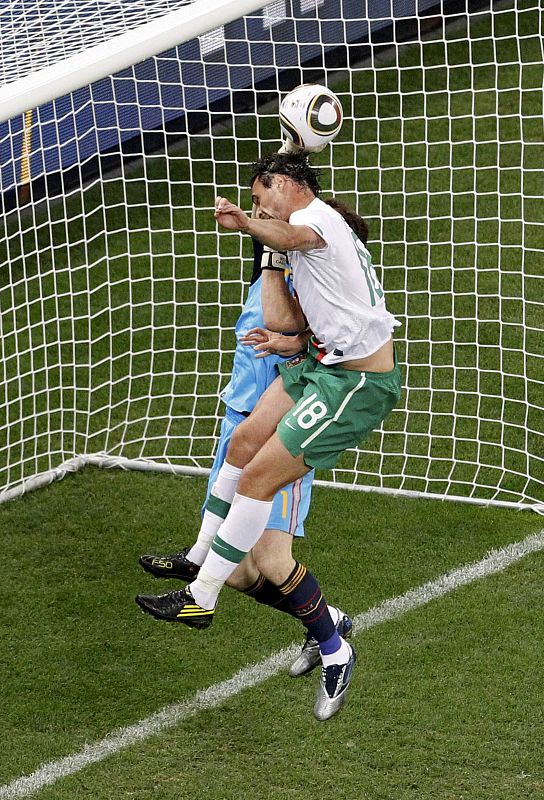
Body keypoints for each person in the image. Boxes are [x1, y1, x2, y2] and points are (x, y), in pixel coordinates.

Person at [138, 152, 402, 720]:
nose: (255, 206)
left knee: (257, 485)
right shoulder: (293, 240)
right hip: (317, 365)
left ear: (282, 185)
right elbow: (283, 320)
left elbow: (298, 234)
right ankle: (199, 562)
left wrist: (247, 224)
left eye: (260, 196)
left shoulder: (321, 222)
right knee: (240, 447)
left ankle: (204, 600)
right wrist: (269, 255)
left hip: (356, 383)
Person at [137, 204, 354, 681]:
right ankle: (326, 619)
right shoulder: (269, 276)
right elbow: (268, 227)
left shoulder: (318, 294)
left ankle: (333, 644)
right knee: (235, 571)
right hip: (238, 428)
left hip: (282, 434)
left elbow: (312, 357)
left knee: (273, 561)